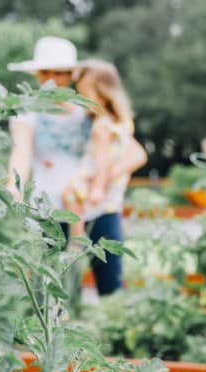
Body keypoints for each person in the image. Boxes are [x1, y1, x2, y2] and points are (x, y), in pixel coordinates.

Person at [6, 38, 139, 296]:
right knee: (51, 289)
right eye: (46, 72)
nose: (52, 80)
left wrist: (100, 183)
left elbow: (132, 151)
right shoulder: (28, 113)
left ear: (71, 75)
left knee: (111, 283)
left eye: (60, 73)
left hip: (96, 207)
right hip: (49, 208)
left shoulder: (88, 108)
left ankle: (113, 322)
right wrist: (13, 185)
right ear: (37, 74)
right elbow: (21, 152)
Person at [61, 60, 147, 250]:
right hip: (109, 185)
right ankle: (79, 238)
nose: (82, 101)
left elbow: (102, 158)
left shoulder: (101, 125)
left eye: (86, 95)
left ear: (103, 95)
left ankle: (77, 239)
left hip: (92, 175)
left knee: (69, 194)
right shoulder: (122, 122)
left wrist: (98, 187)